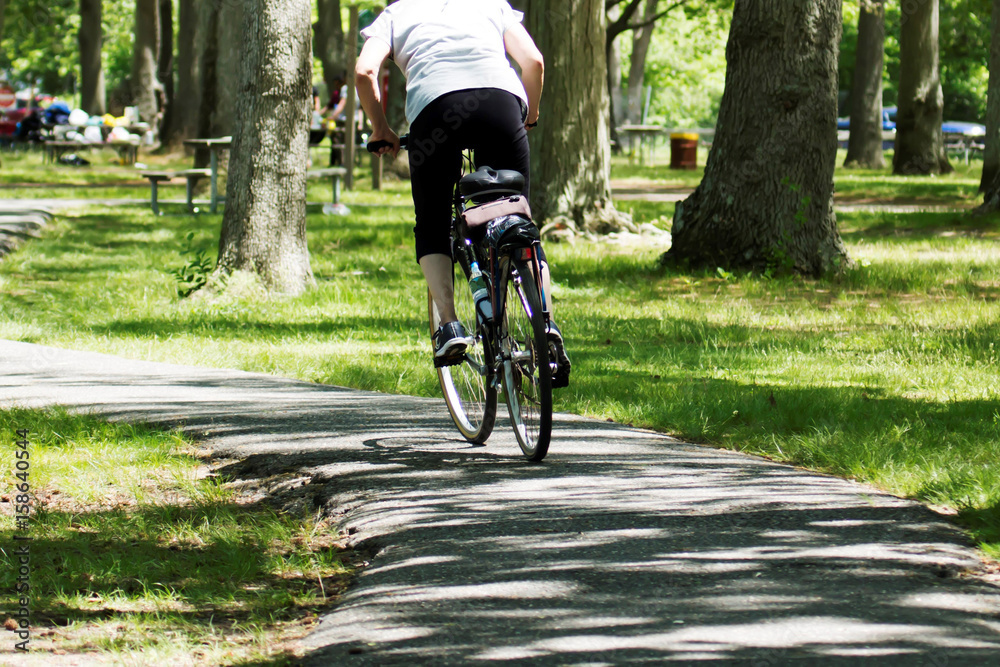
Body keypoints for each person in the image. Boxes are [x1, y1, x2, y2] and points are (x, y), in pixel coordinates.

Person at [356, 0, 570, 387]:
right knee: (516, 216)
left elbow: (365, 71)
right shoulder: (490, 3)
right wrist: (530, 114)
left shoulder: (396, 13)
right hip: (500, 104)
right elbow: (534, 62)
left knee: (434, 222)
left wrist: (380, 128)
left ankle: (450, 325)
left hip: (434, 111)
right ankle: (545, 324)